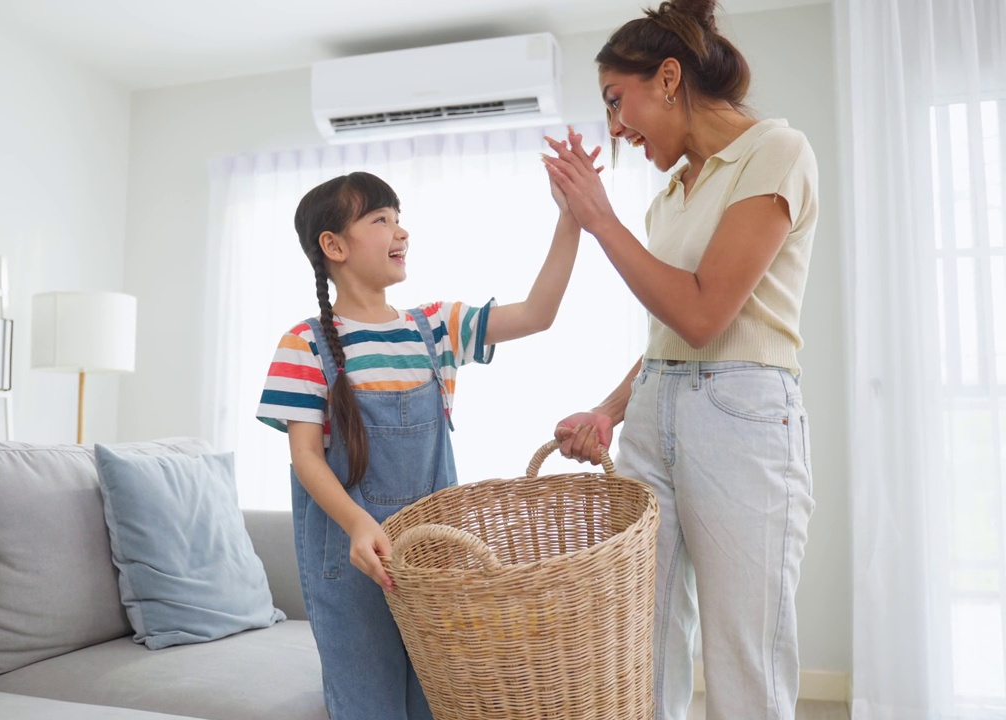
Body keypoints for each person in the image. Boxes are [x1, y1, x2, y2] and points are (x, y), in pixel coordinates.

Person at [540, 1, 818, 718]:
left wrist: (600, 219)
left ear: (668, 78)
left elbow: (702, 315)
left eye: (615, 100)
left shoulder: (775, 153)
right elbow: (668, 339)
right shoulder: (670, 197)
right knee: (641, 642)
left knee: (742, 651)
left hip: (743, 417)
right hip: (655, 408)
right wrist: (608, 410)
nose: (613, 128)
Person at [255, 167, 588, 719]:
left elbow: (537, 314)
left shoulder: (434, 327)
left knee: (445, 703)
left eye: (399, 218)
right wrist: (360, 523)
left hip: (437, 562)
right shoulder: (303, 344)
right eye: (380, 219)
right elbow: (306, 458)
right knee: (369, 708)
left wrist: (571, 219)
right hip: (352, 560)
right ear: (333, 245)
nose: (400, 231)